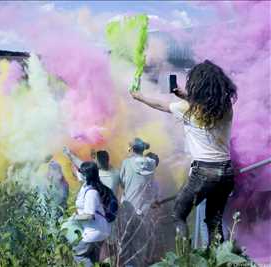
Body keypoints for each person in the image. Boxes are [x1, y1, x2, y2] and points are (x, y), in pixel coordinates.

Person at [130, 59, 236, 244]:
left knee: (178, 214)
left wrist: (139, 97)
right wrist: (184, 95)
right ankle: (219, 260)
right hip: (226, 173)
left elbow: (160, 105)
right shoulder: (226, 107)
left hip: (203, 172)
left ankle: (185, 259)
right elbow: (205, 106)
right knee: (214, 221)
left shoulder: (187, 109)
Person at [117, 138, 159, 267]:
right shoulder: (151, 163)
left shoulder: (126, 163)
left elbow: (122, 182)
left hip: (129, 207)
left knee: (126, 240)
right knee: (141, 241)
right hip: (145, 208)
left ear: (131, 149)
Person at [72, 161, 112, 267]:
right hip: (99, 230)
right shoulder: (87, 184)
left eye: (81, 172)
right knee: (93, 260)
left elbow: (89, 215)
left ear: (86, 175)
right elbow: (78, 173)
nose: (79, 173)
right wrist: (69, 155)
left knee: (78, 254)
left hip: (94, 231)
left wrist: (74, 218)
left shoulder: (91, 192)